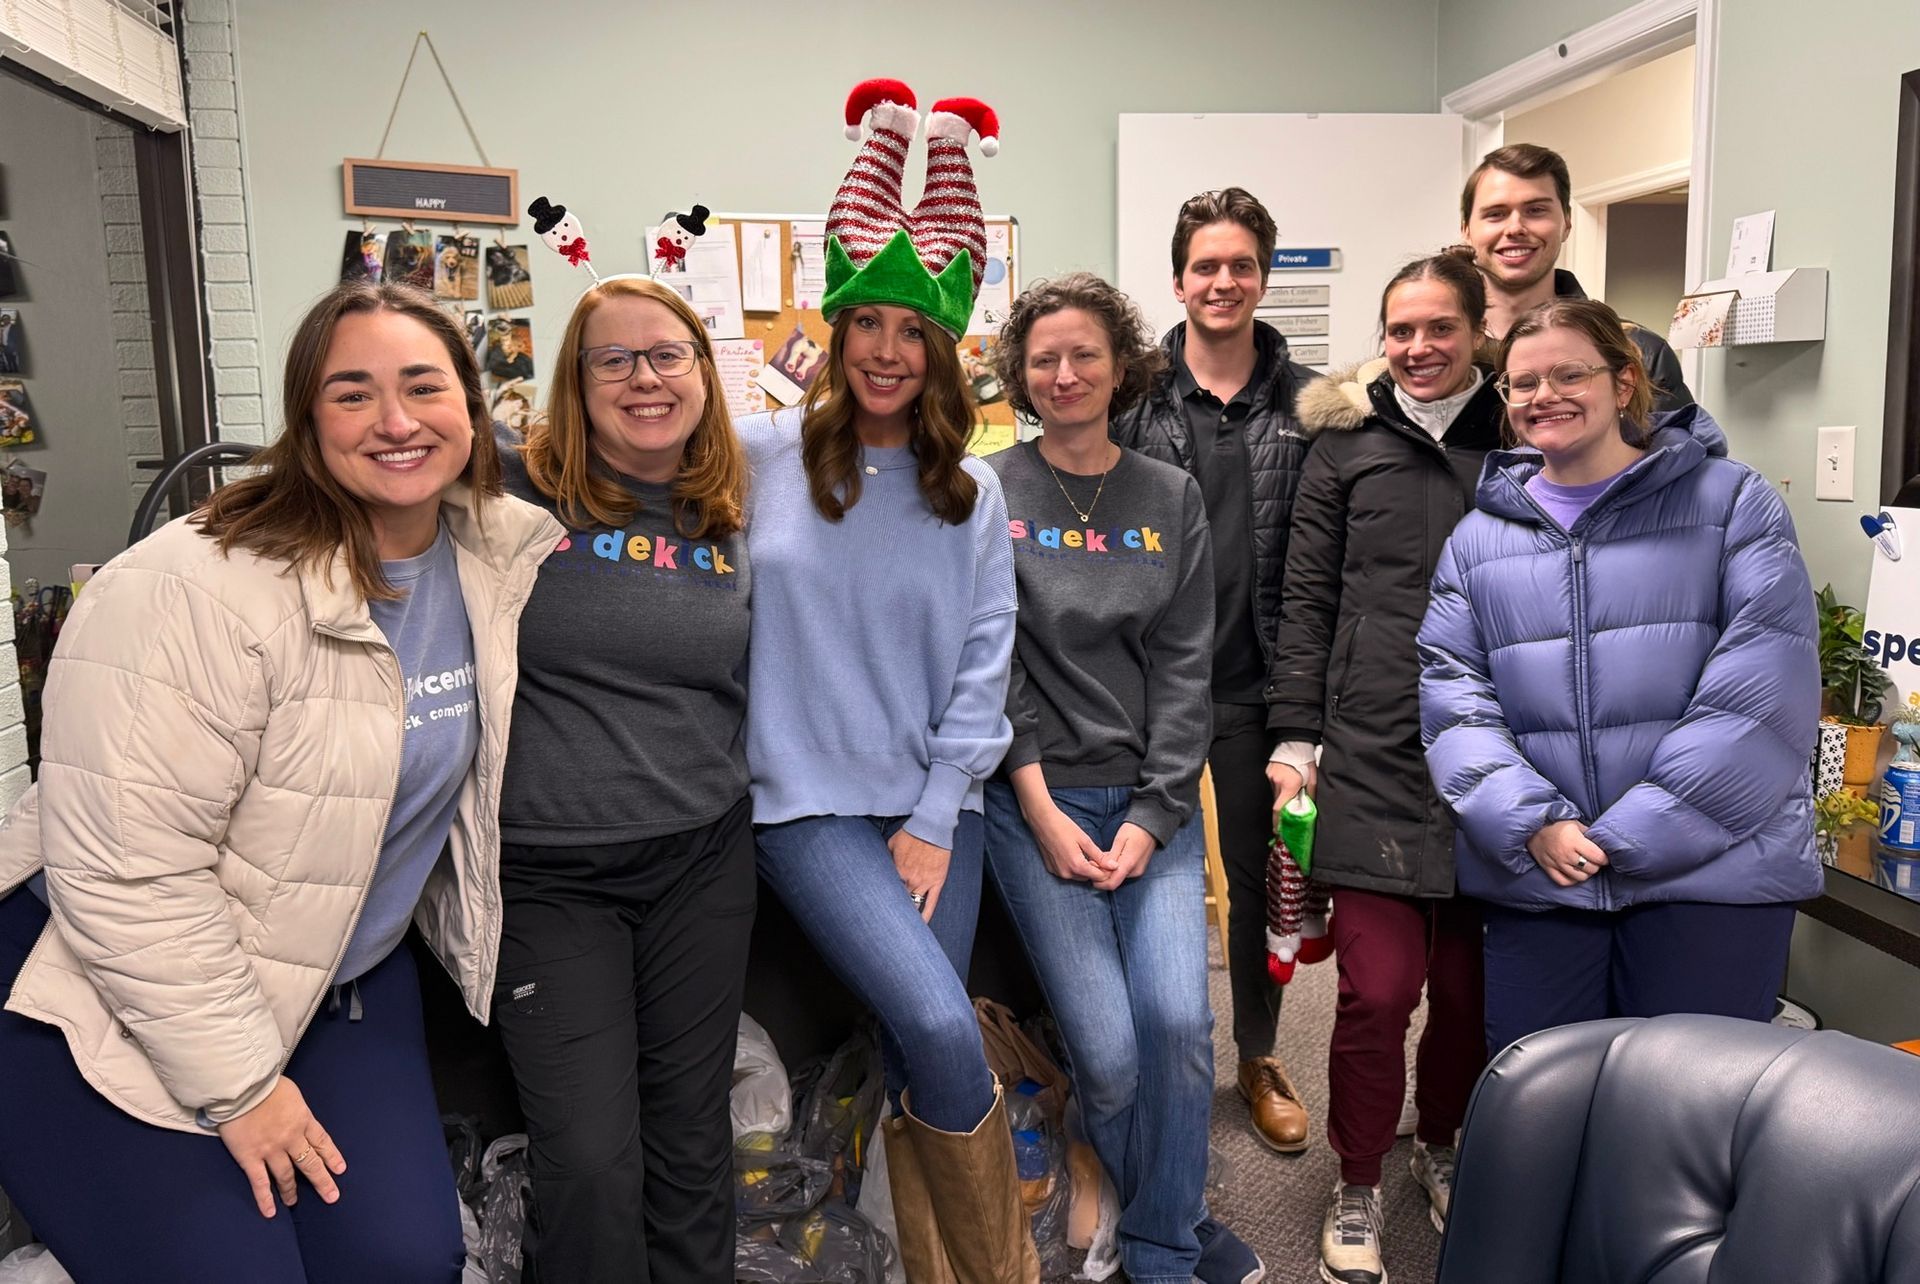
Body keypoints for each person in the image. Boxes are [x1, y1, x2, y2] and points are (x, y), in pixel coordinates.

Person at [0, 280, 561, 1281]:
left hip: (333, 978)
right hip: (102, 985)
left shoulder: (489, 554)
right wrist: (246, 1089)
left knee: (401, 1263)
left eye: (424, 387)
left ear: (474, 414)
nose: (395, 421)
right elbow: (128, 875)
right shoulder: (189, 589)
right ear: (307, 422)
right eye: (352, 394)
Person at [739, 81, 1036, 1281]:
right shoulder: (757, 458)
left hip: (933, 806)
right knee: (932, 1019)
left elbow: (984, 665)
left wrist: (931, 817)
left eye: (916, 333)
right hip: (801, 802)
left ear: (942, 349)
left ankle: (928, 1263)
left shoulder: (972, 490)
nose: (889, 352)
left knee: (927, 1052)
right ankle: (1002, 1269)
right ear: (840, 327)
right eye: (871, 325)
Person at [1419, 296, 1820, 1058]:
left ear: (1625, 381)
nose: (1545, 397)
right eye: (1523, 383)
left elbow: (1760, 696)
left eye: (1570, 374)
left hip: (1711, 877)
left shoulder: (1733, 504)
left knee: (1689, 1116)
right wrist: (1533, 821)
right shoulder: (1478, 540)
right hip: (1546, 874)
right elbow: (1454, 702)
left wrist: (1629, 836)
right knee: (1544, 1108)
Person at [982, 273, 1265, 1284]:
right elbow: (991, 657)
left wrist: (1152, 817)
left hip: (1155, 807)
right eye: (1044, 358)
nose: (1064, 374)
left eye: (1084, 355)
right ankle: (1171, 1212)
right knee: (1105, 1053)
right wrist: (1040, 804)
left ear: (1121, 367)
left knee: (1181, 1029)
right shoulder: (991, 493)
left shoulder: (1168, 496)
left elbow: (1188, 664)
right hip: (1035, 806)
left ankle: (1158, 1250)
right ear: (1021, 372)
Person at [491, 275, 752, 1282]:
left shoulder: (725, 508)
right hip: (553, 875)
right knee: (593, 1163)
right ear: (578, 377)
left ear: (700, 372)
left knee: (692, 1143)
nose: (645, 377)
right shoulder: (513, 489)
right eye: (615, 358)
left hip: (701, 859)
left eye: (667, 355)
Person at [1264, 249, 1501, 1284]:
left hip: (1502, 755)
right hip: (1370, 747)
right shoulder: (1345, 446)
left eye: (1438, 329)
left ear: (1479, 330)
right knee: (1377, 989)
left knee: (1469, 988)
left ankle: (1438, 1145)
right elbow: (1305, 601)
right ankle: (1357, 1180)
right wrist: (1295, 740)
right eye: (1398, 331)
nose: (1415, 349)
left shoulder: (1525, 437)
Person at [1111, 187, 1316, 1153]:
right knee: (1136, 869)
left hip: (1254, 690)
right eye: (1206, 266)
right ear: (1179, 278)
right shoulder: (1131, 397)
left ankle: (1258, 1052)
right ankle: (1137, 1050)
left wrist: (1306, 718)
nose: (1223, 281)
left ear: (1263, 276)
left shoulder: (1312, 409)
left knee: (1253, 877)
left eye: (1241, 265)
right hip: (1141, 689)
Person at [1462, 143, 1694, 412]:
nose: (1515, 228)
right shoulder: (1433, 353)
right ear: (1466, 230)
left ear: (1567, 223)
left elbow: (1680, 452)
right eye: (1495, 214)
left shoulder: (1636, 350)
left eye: (1536, 210)